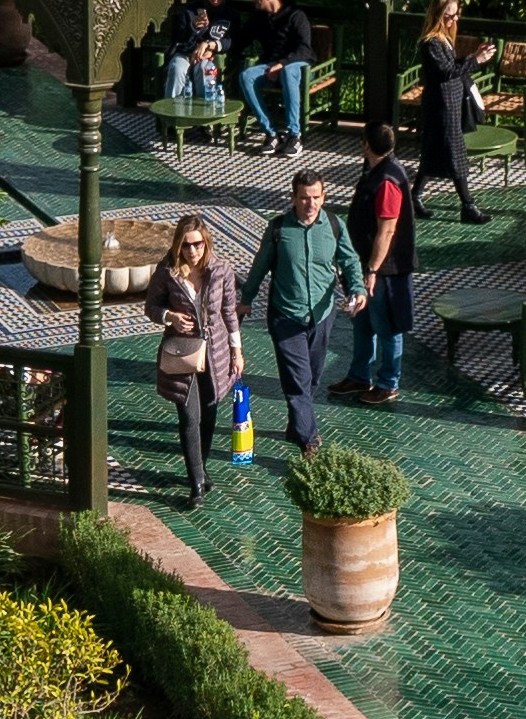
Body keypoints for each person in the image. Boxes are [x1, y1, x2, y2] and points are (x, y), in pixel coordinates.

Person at [250, 169, 368, 450]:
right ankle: (309, 438)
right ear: (293, 198)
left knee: (312, 377)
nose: (310, 204)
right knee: (298, 378)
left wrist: (358, 289)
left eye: (316, 197)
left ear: (323, 196)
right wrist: (245, 298)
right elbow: (260, 266)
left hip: (322, 314)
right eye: (304, 198)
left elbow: (349, 261)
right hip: (286, 316)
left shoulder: (334, 225)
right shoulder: (279, 229)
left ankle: (296, 425)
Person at [141, 215, 243, 488]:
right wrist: (169, 317)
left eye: (197, 244)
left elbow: (229, 312)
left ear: (206, 242)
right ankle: (196, 480)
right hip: (182, 352)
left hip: (215, 352)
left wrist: (237, 351)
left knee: (209, 412)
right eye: (186, 246)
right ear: (178, 246)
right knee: (189, 416)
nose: (192, 251)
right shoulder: (167, 271)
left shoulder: (221, 270)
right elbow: (150, 307)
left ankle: (202, 468)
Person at [341, 121, 415, 403]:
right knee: (362, 321)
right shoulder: (375, 172)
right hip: (366, 264)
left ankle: (388, 382)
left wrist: (372, 270)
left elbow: (387, 230)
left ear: (366, 144)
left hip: (384, 269)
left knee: (386, 326)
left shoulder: (387, 180)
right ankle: (359, 376)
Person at [414, 0, 495, 225]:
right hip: (441, 106)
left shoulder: (444, 41)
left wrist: (472, 57)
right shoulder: (431, 43)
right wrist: (475, 61)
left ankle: (414, 197)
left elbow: (451, 67)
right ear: (439, 16)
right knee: (454, 154)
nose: (455, 20)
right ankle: (468, 205)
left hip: (449, 103)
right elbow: (445, 73)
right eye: (450, 16)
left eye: (457, 15)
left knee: (433, 152)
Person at [234, 0, 319, 157]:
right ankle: (271, 132)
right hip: (271, 66)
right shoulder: (260, 18)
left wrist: (282, 64)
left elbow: (304, 49)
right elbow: (239, 40)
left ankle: (295, 135)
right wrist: (212, 46)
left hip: (299, 67)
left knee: (288, 72)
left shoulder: (296, 16)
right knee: (247, 76)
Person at [160, 0, 227, 102]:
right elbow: (180, 38)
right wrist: (194, 27)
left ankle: (204, 115)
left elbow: (231, 41)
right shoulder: (191, 10)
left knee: (205, 70)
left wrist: (211, 47)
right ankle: (172, 115)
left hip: (210, 56)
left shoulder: (230, 15)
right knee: (177, 69)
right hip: (186, 54)